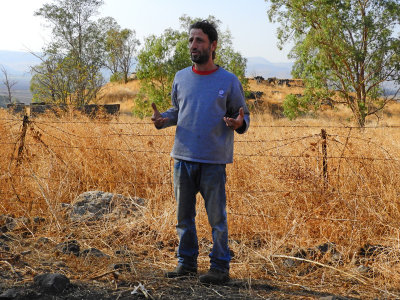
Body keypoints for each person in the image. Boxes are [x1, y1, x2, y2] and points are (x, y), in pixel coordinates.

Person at [151, 20, 250, 284]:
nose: (193, 45)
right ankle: (186, 264)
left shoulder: (228, 81)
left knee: (217, 219)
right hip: (182, 159)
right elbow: (177, 111)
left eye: (199, 41)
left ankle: (219, 268)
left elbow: (243, 116)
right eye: (191, 40)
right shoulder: (181, 77)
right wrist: (164, 119)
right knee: (184, 218)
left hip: (213, 161)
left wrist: (239, 123)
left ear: (213, 45)